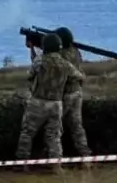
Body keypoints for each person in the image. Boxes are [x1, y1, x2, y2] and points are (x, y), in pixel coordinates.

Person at [15, 32, 83, 173]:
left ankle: (22, 163)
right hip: (56, 103)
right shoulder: (65, 64)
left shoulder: (40, 61)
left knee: (27, 133)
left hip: (38, 101)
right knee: (54, 136)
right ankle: (56, 166)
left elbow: (29, 75)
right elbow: (79, 76)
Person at [55, 26, 92, 161]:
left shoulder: (60, 55)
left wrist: (33, 49)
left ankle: (54, 158)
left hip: (66, 94)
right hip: (77, 92)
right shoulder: (76, 51)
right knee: (77, 126)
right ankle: (85, 155)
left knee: (54, 127)